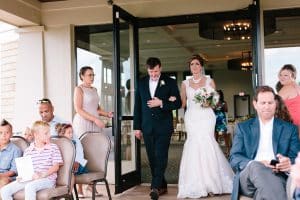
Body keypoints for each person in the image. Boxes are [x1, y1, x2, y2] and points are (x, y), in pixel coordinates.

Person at [177, 54, 233, 198]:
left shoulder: (209, 81)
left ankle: (212, 183)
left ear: (201, 66)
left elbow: (215, 102)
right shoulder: (185, 84)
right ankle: (195, 183)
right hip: (192, 117)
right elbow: (182, 104)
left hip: (207, 116)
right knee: (194, 144)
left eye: (196, 64)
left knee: (207, 143)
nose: (194, 67)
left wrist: (207, 102)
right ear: (189, 67)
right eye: (191, 64)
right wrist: (169, 100)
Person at [230, 85, 300, 200]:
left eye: (270, 102)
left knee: (265, 190)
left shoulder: (289, 129)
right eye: (263, 103)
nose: (267, 107)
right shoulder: (243, 128)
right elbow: (234, 157)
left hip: (276, 175)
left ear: (275, 104)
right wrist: (254, 163)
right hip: (248, 178)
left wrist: (288, 163)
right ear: (255, 104)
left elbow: (296, 158)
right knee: (256, 166)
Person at [133, 57, 181, 200]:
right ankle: (162, 184)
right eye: (150, 72)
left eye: (155, 71)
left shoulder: (170, 82)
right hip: (147, 127)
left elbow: (177, 103)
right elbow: (138, 106)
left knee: (161, 156)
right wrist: (137, 127)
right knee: (152, 157)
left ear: (160, 68)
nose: (153, 74)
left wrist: (162, 103)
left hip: (163, 127)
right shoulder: (141, 82)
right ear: (147, 70)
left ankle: (154, 186)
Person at [1, 121, 63, 200]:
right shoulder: (28, 151)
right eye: (46, 133)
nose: (49, 135)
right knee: (4, 191)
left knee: (30, 187)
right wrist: (21, 177)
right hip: (30, 179)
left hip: (47, 179)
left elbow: (56, 167)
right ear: (36, 135)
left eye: (49, 132)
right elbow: (25, 170)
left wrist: (43, 175)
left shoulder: (53, 147)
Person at [37, 98, 87, 177]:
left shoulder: (64, 123)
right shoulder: (38, 126)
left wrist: (77, 160)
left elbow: (77, 143)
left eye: (46, 111)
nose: (43, 115)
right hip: (47, 162)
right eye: (41, 112)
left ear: (52, 109)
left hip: (64, 160)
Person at [73, 66, 113, 138]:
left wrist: (107, 114)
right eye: (89, 75)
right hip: (83, 122)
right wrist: (95, 120)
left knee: (96, 146)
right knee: (84, 146)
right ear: (82, 76)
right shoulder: (79, 89)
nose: (92, 77)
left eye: (93, 75)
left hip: (95, 122)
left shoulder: (94, 89)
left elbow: (97, 109)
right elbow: (78, 109)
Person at [55, 123, 88, 197]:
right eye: (69, 133)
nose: (71, 134)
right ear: (62, 134)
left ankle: (69, 193)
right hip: (65, 166)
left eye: (72, 132)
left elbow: (75, 155)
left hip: (75, 165)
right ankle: (57, 193)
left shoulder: (73, 143)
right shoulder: (57, 144)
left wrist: (76, 161)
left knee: (70, 174)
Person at [0, 119, 22, 188]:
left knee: (4, 181)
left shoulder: (16, 150)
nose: (3, 135)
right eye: (1, 132)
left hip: (7, 176)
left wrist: (1, 175)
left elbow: (14, 171)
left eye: (7, 132)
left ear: (11, 134)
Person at [278, 64, 300, 130]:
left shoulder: (287, 87)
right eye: (280, 75)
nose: (282, 77)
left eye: (286, 75)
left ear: (293, 76)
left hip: (292, 125)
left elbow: (273, 105)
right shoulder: (297, 87)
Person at [214, 89, 230, 155]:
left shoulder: (224, 102)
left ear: (221, 95)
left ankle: (228, 149)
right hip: (214, 120)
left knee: (224, 134)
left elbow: (226, 110)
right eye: (216, 94)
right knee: (215, 135)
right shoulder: (213, 102)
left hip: (222, 120)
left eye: (219, 94)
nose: (218, 95)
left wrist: (222, 106)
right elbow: (211, 110)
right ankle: (216, 151)